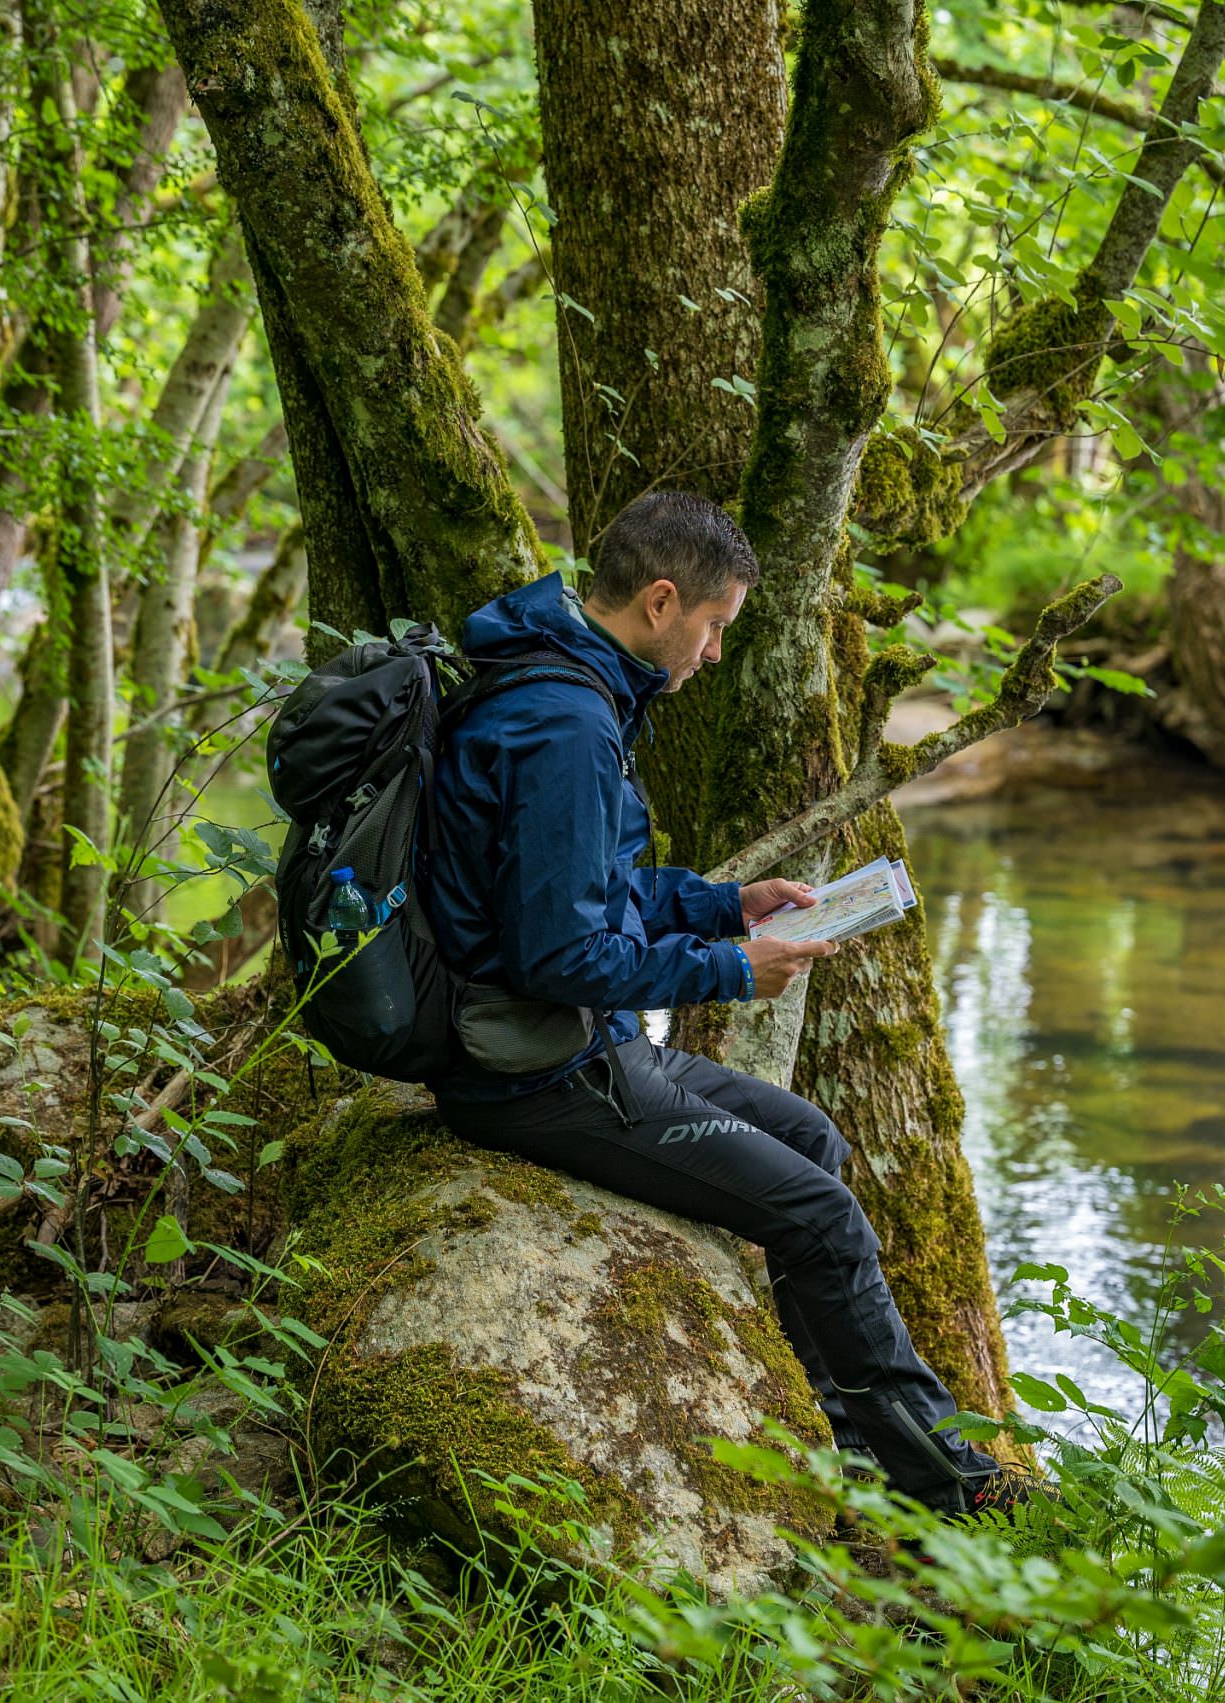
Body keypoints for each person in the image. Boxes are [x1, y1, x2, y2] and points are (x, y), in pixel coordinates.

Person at [420, 489, 1016, 1515]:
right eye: (713, 627)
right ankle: (956, 1492)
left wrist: (721, 903)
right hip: (533, 1071)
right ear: (661, 602)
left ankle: (850, 1446)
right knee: (823, 1217)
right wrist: (733, 970)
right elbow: (560, 952)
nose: (710, 653)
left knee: (810, 1137)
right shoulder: (561, 722)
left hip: (580, 1043)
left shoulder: (566, 683)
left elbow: (578, 893)